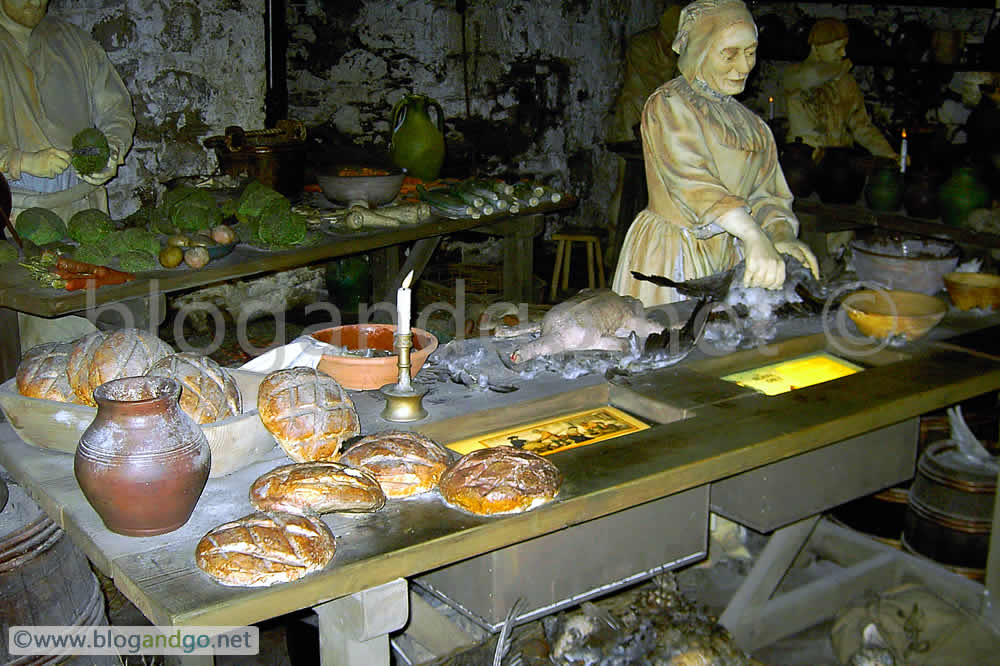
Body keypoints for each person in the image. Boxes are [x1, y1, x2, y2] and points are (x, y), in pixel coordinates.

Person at [612, 0, 819, 306]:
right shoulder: (669, 105)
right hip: (674, 252)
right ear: (699, 51)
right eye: (729, 54)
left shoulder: (754, 126)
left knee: (723, 340)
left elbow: (768, 194)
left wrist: (779, 235)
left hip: (735, 250)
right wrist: (752, 234)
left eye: (750, 52)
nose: (745, 65)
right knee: (668, 337)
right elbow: (694, 183)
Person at [0, 0, 136, 349]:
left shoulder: (75, 43)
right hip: (15, 218)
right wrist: (17, 160)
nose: (34, 1)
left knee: (105, 329)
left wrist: (111, 150)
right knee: (34, 339)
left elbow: (116, 109)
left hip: (84, 209)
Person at [782, 18, 898, 162]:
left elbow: (862, 126)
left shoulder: (846, 81)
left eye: (844, 47)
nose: (843, 54)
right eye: (837, 49)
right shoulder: (794, 76)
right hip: (802, 162)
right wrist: (841, 68)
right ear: (816, 47)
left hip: (839, 162)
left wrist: (888, 155)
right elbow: (811, 76)